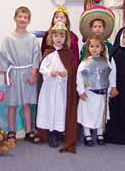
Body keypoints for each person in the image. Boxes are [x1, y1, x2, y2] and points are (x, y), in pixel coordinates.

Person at [0, 6, 41, 144]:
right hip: (14, 73)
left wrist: (33, 73)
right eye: (20, 16)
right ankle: (11, 131)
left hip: (28, 74)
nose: (22, 19)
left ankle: (28, 131)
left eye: (25, 17)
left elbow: (36, 56)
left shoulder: (32, 38)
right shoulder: (8, 38)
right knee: (12, 104)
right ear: (15, 18)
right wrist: (6, 75)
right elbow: (3, 57)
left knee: (27, 104)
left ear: (29, 20)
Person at [36, 22, 79, 153]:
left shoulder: (68, 54)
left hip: (62, 88)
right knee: (50, 108)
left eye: (61, 36)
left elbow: (72, 70)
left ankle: (60, 131)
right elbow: (42, 68)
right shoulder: (48, 52)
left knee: (60, 109)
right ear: (51, 37)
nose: (58, 38)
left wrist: (66, 73)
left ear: (65, 38)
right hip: (49, 88)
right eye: (56, 35)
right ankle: (51, 133)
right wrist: (50, 72)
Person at [77, 35, 118, 146]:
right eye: (92, 46)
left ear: (102, 48)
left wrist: (110, 89)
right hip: (89, 93)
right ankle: (87, 134)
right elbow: (79, 78)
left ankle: (100, 133)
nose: (94, 49)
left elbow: (110, 76)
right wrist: (81, 91)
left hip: (101, 94)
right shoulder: (84, 63)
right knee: (87, 114)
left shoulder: (106, 62)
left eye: (97, 46)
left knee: (101, 113)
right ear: (88, 48)